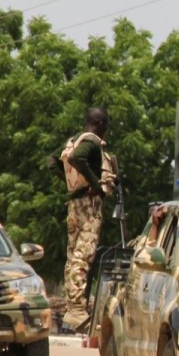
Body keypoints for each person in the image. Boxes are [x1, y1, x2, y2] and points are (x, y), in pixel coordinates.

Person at [59, 107, 117, 333]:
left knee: (72, 256)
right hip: (88, 207)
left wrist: (74, 185)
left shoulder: (74, 139)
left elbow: (54, 162)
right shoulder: (91, 143)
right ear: (101, 124)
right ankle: (77, 312)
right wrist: (95, 186)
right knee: (82, 257)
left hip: (74, 204)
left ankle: (71, 309)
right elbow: (77, 158)